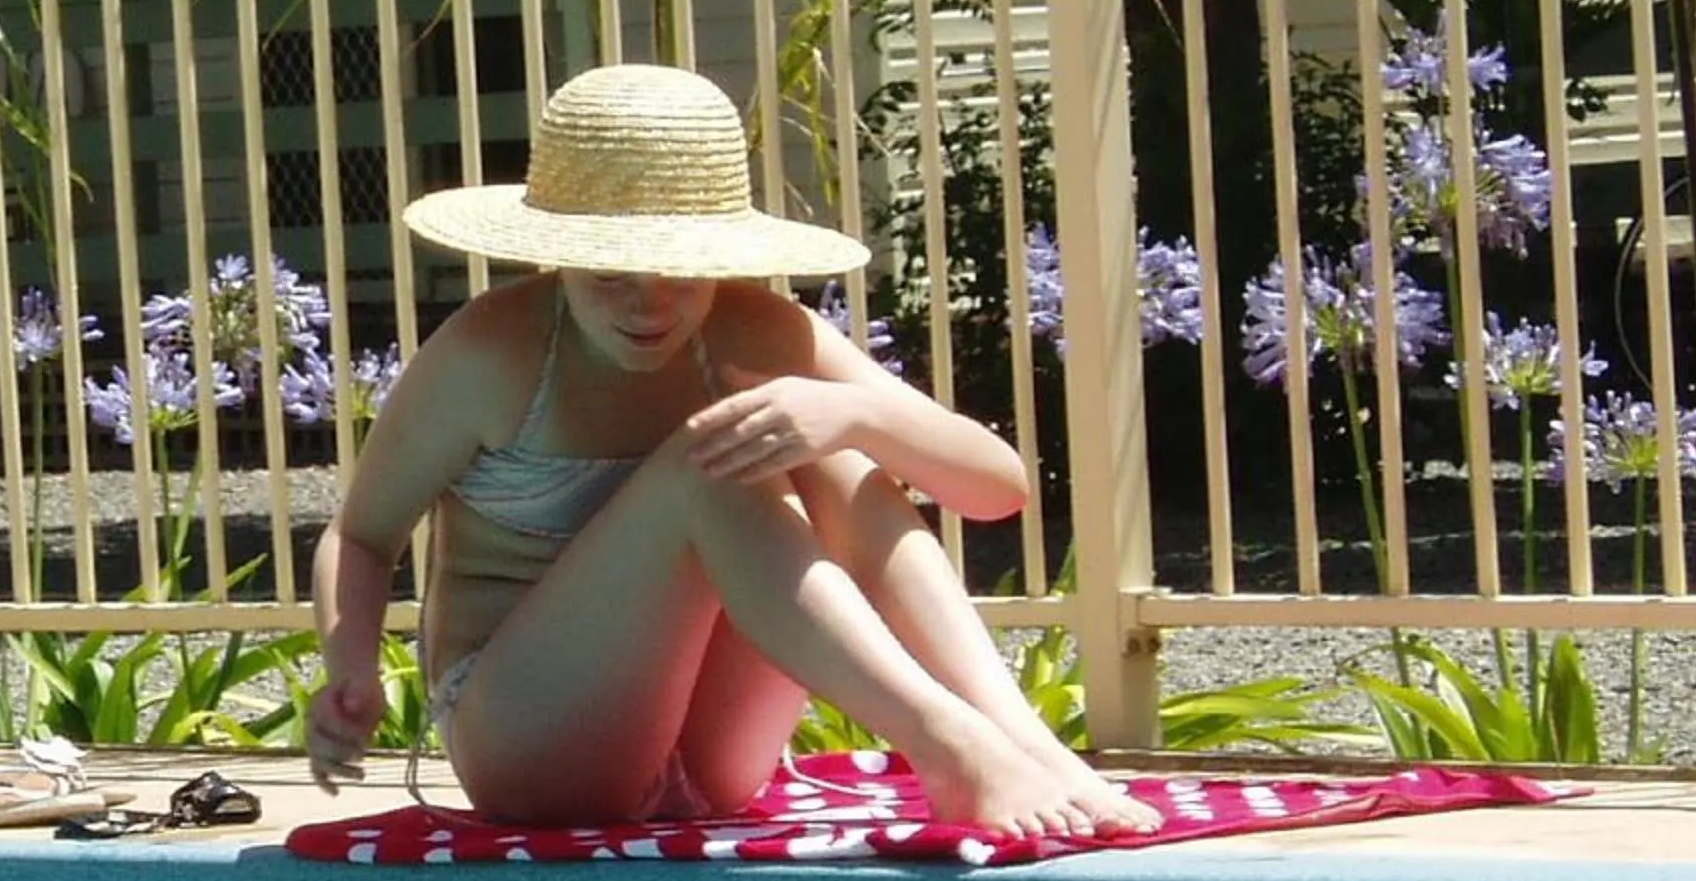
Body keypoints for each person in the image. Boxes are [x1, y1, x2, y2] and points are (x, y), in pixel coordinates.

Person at [302, 62, 1158, 841]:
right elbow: (363, 536)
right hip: (535, 745)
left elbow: (995, 490)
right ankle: (950, 747)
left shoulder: (758, 333)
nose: (650, 306)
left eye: (681, 273)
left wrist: (849, 412)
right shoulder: (493, 352)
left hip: (713, 760)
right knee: (710, 463)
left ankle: (1018, 743)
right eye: (612, 274)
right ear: (559, 258)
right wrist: (351, 669)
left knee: (825, 444)